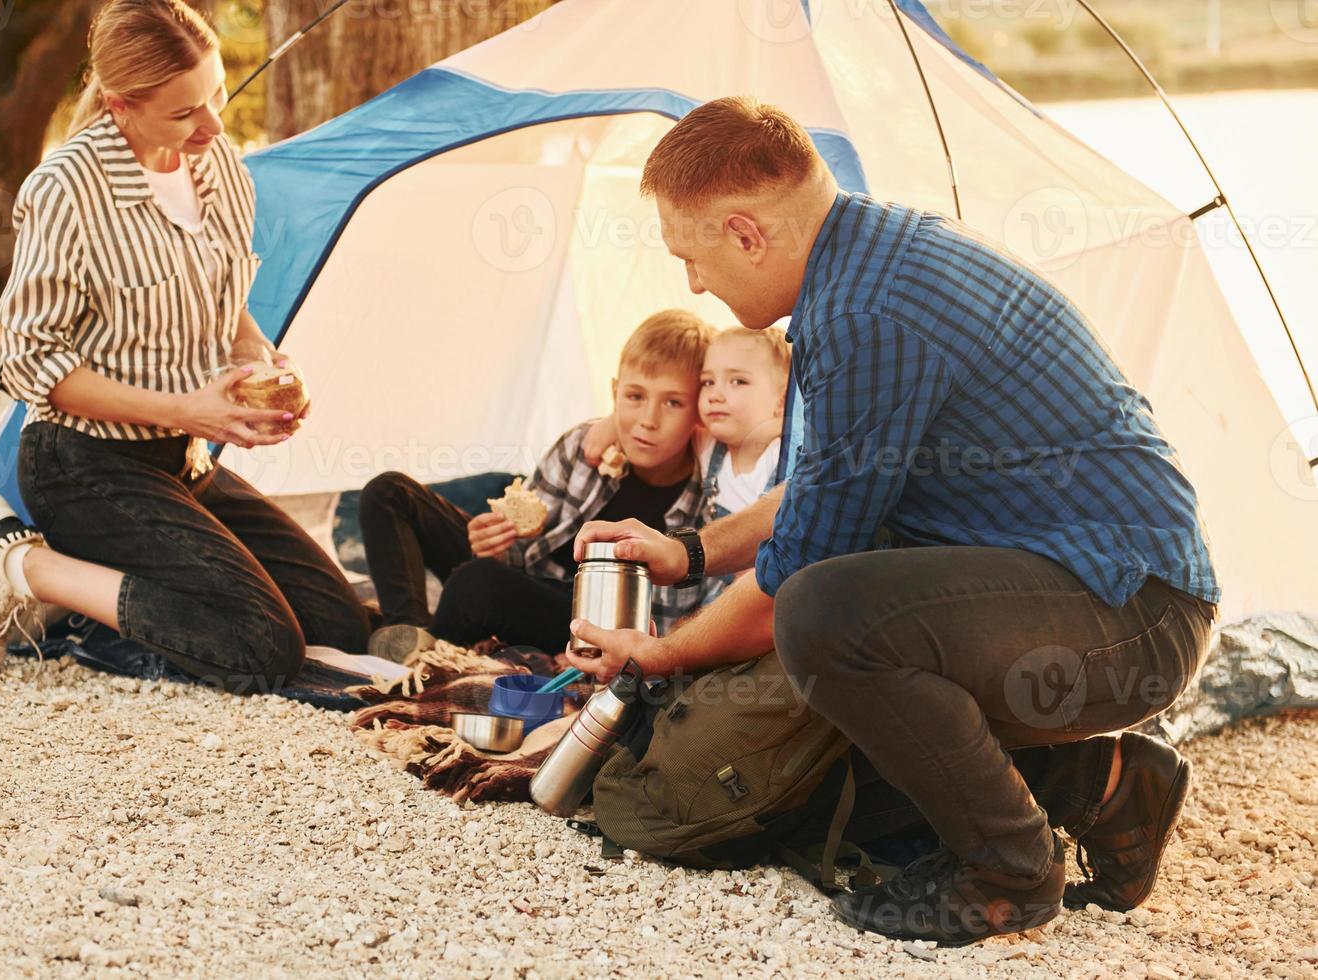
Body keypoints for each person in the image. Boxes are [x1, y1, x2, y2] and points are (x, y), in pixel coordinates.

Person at [565, 97, 1219, 945]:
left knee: (828, 620)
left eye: (693, 257)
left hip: (1134, 614)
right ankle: (1106, 781)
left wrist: (659, 654)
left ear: (746, 234)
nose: (696, 285)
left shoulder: (867, 317)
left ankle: (1009, 874)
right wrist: (686, 553)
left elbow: (800, 575)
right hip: (1091, 595)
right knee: (853, 633)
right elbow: (815, 497)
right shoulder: (865, 262)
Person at [0, 0, 371, 694]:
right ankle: (21, 566)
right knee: (261, 648)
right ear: (121, 106)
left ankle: (95, 588)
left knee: (340, 626)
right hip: (81, 465)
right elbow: (31, 363)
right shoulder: (66, 189)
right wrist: (186, 409)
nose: (215, 124)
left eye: (217, 95)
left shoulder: (220, 166)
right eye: (185, 112)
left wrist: (261, 362)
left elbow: (224, 309)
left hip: (181, 463)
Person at [358, 310, 719, 661]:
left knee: (476, 584)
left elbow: (670, 622)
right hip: (532, 576)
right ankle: (408, 635)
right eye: (635, 397)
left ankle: (430, 654)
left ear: (700, 410)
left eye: (673, 403)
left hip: (588, 619)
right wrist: (496, 544)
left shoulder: (710, 495)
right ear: (614, 393)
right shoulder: (582, 445)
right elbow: (527, 548)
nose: (648, 420)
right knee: (389, 493)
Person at [586, 325, 788, 521]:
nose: (715, 395)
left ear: (782, 399)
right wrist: (613, 420)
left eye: (738, 381)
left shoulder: (788, 461)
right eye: (708, 382)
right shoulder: (707, 443)